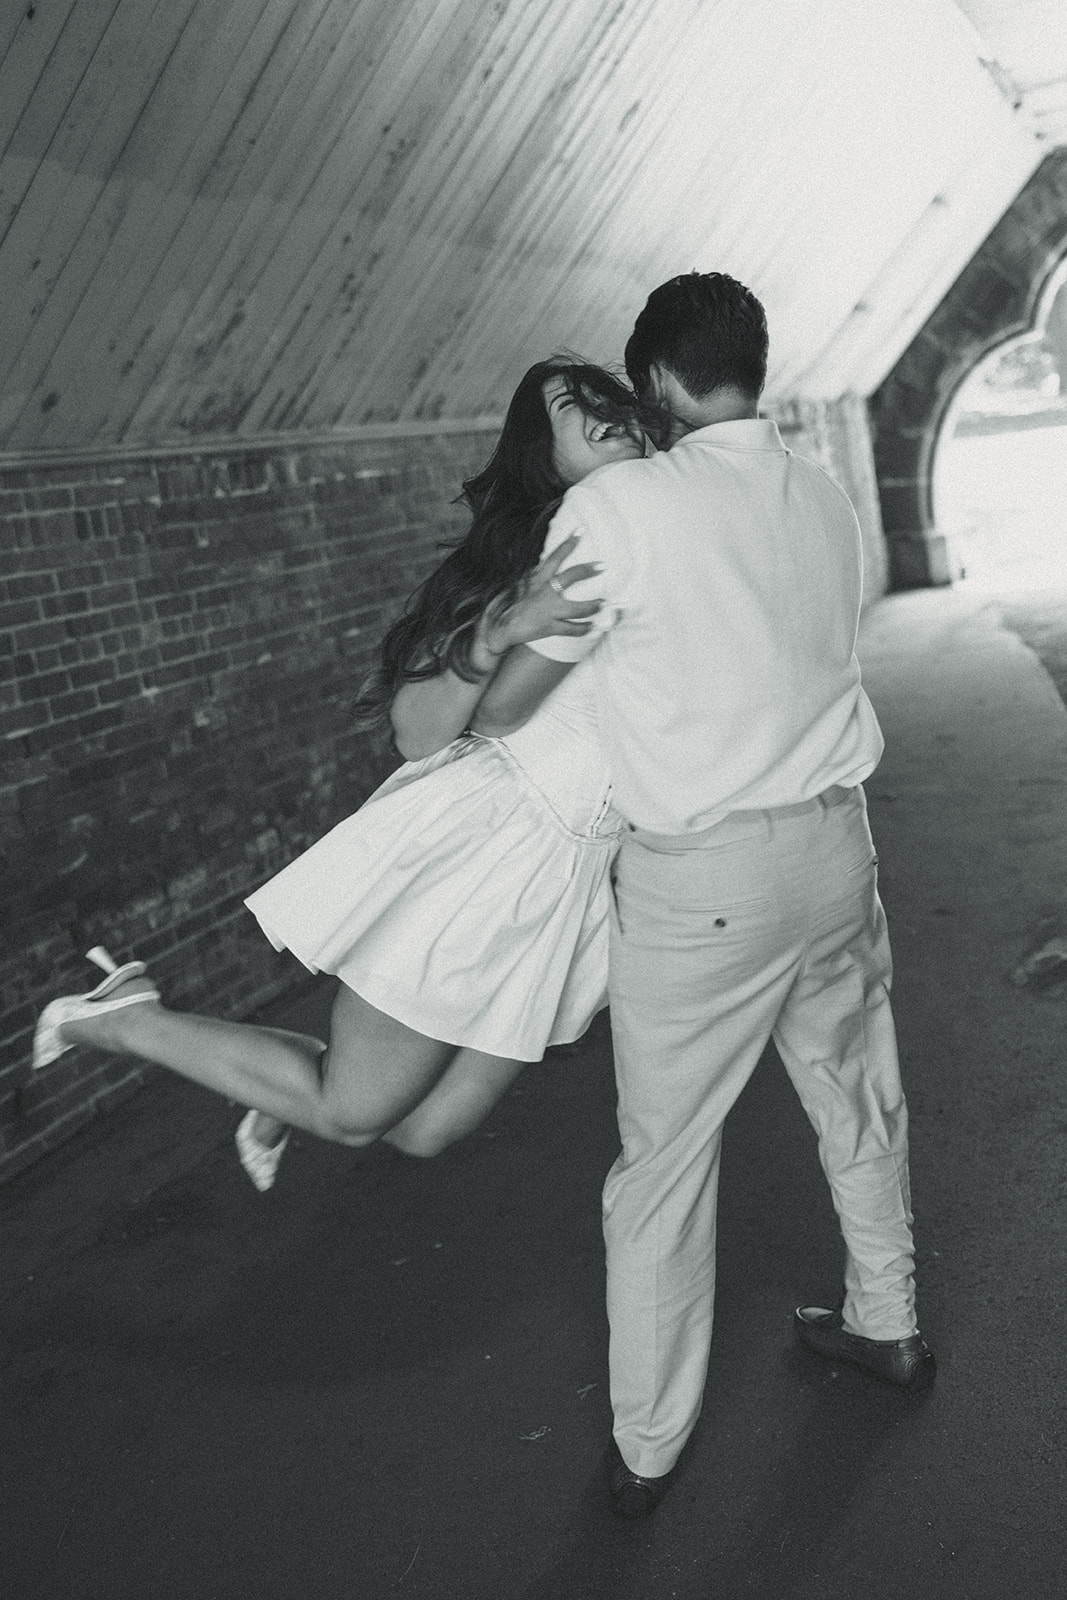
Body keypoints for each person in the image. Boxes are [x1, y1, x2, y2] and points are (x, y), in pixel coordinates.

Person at [470, 274, 935, 1519]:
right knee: (857, 1094)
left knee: (663, 1168)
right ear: (750, 364)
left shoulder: (621, 505)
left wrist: (513, 628)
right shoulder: (826, 496)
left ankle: (648, 1444)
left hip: (703, 882)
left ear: (661, 385)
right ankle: (886, 1322)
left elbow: (508, 702)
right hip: (837, 848)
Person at [32, 360, 645, 1191]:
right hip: (494, 851)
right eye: (574, 411)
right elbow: (416, 732)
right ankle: (128, 1019)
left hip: (578, 867)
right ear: (543, 454)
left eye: (609, 403)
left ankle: (273, 1089)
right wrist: (495, 633)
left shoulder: (658, 526)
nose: (604, 418)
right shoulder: (546, 551)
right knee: (354, 1114)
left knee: (424, 1130)